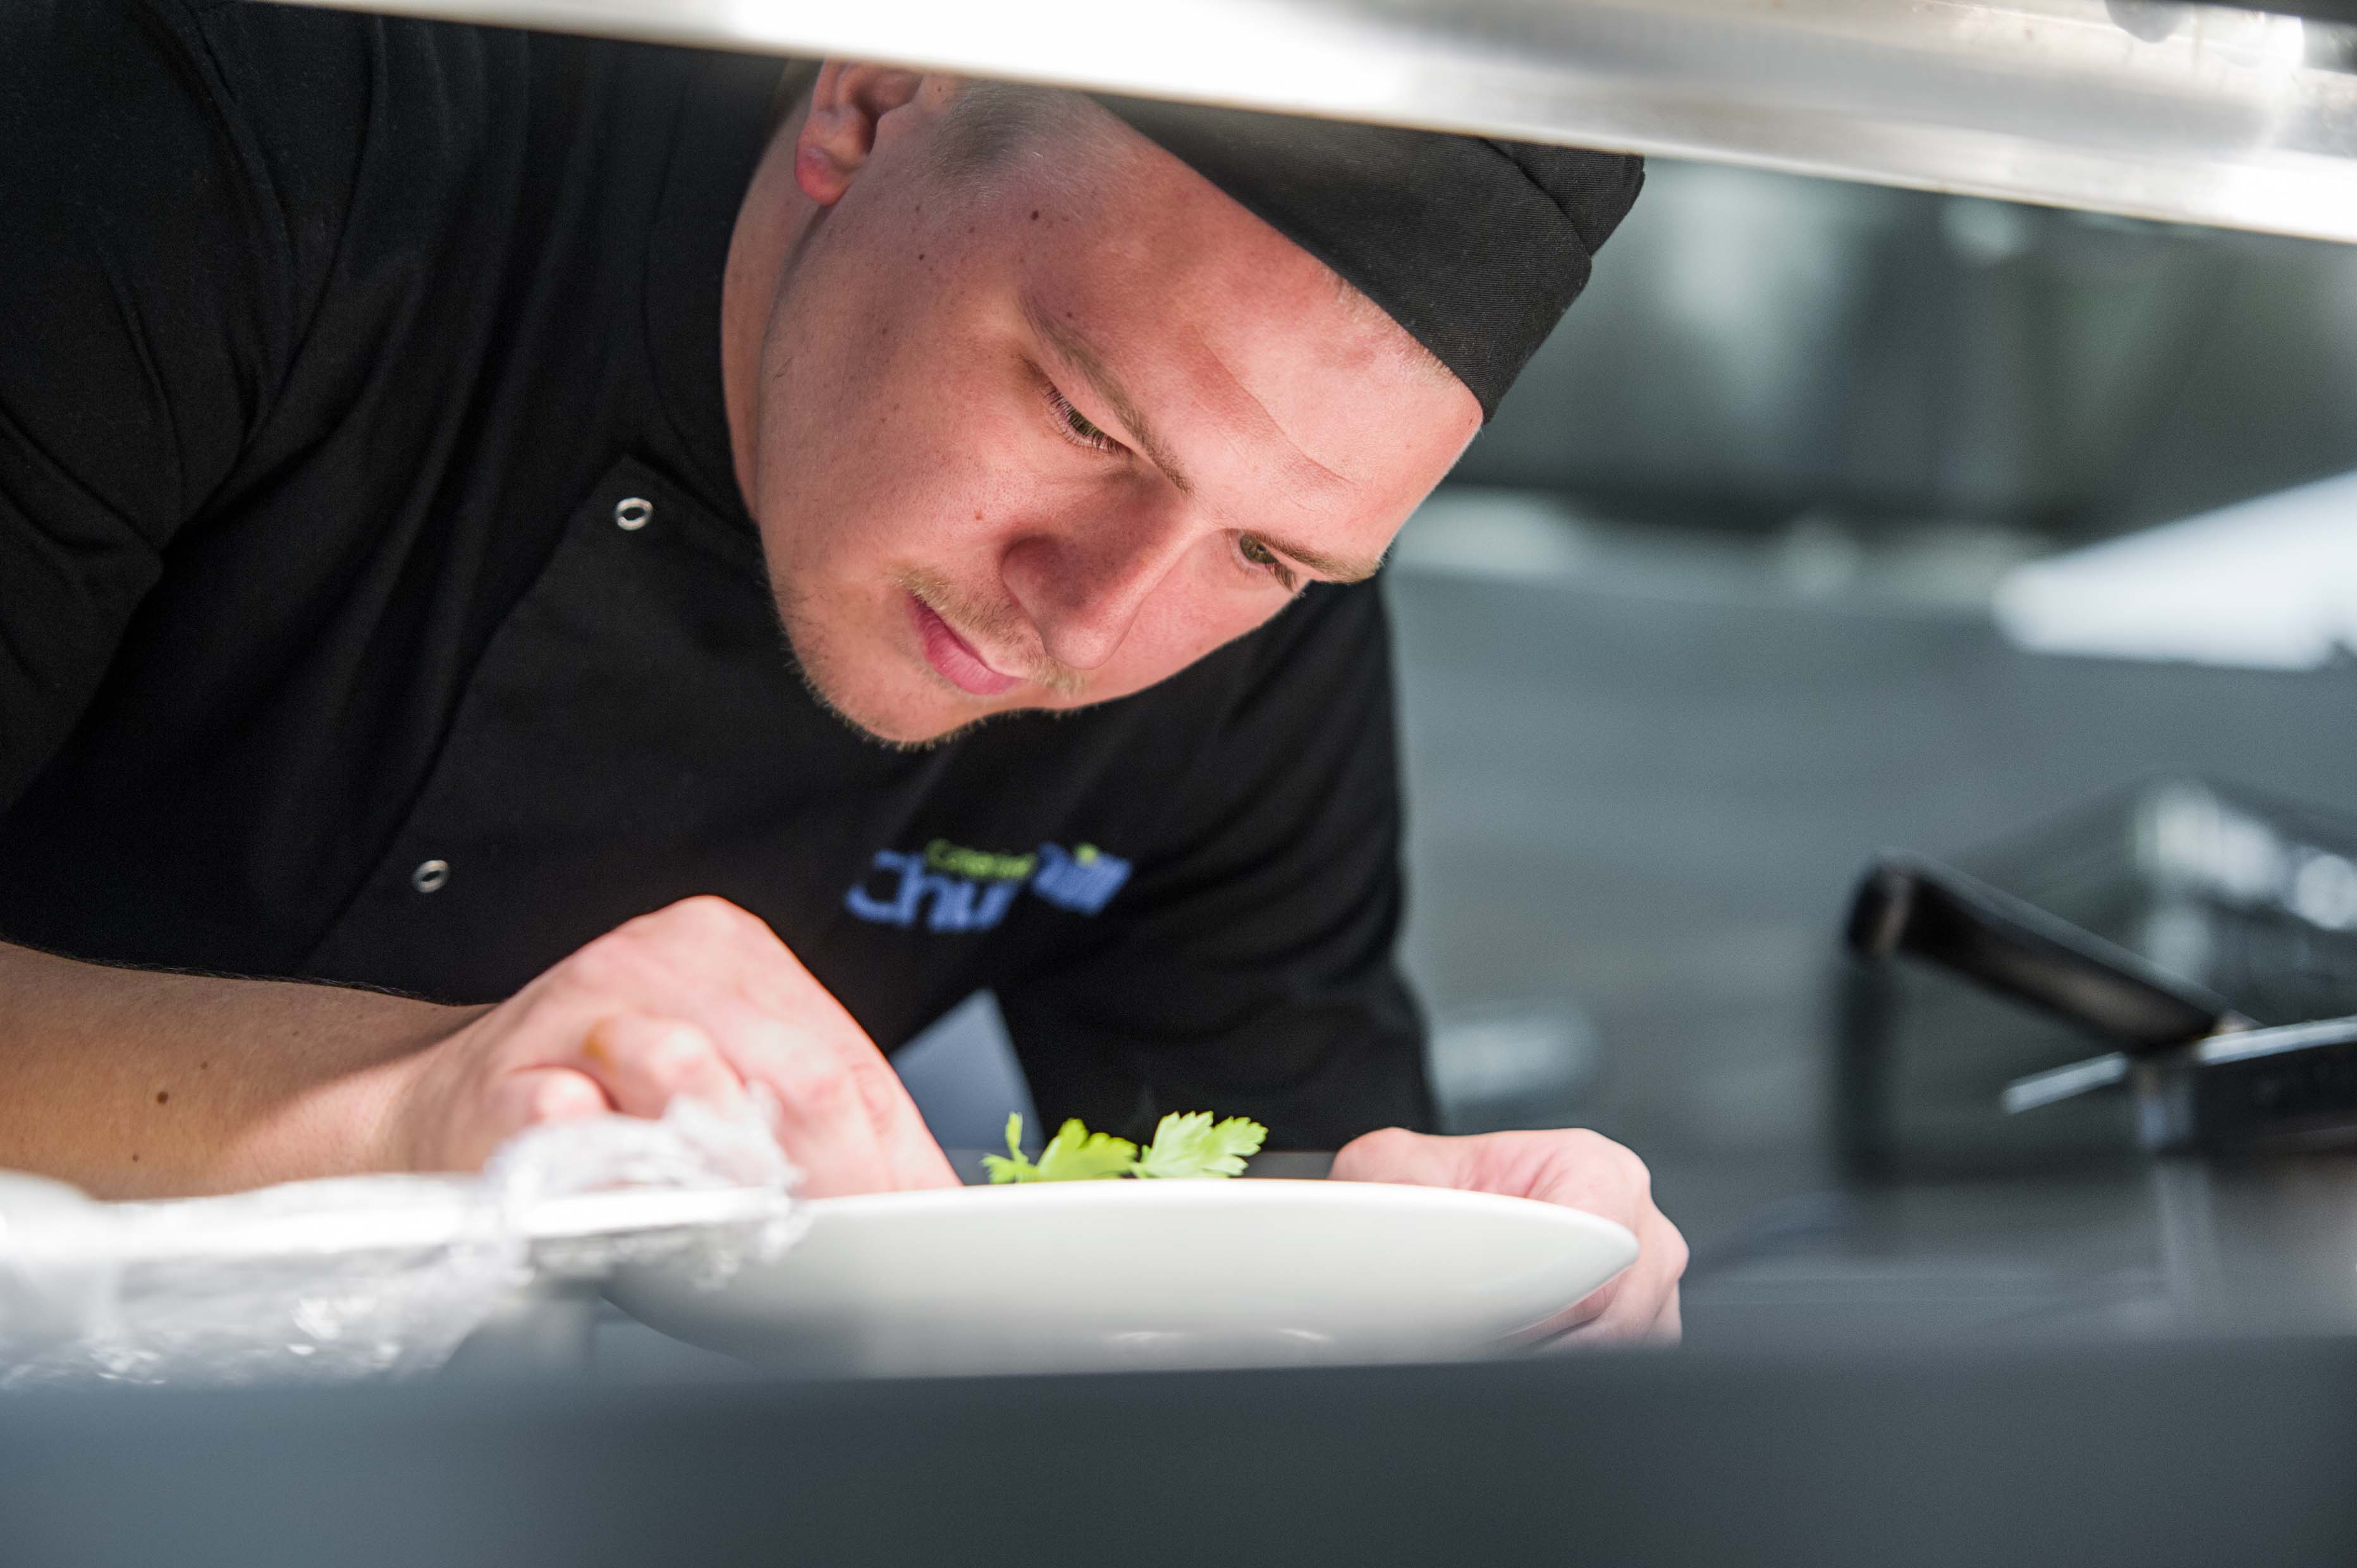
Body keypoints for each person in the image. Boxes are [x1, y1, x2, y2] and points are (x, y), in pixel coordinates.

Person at [0, 1, 1685, 1338]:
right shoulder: (241, 131)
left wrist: (1429, 1277)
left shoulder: (1244, 658)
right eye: (1087, 418)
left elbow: (1254, 1306)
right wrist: (414, 1113)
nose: (1093, 623)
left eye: (1271, 554)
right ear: (873, 100)